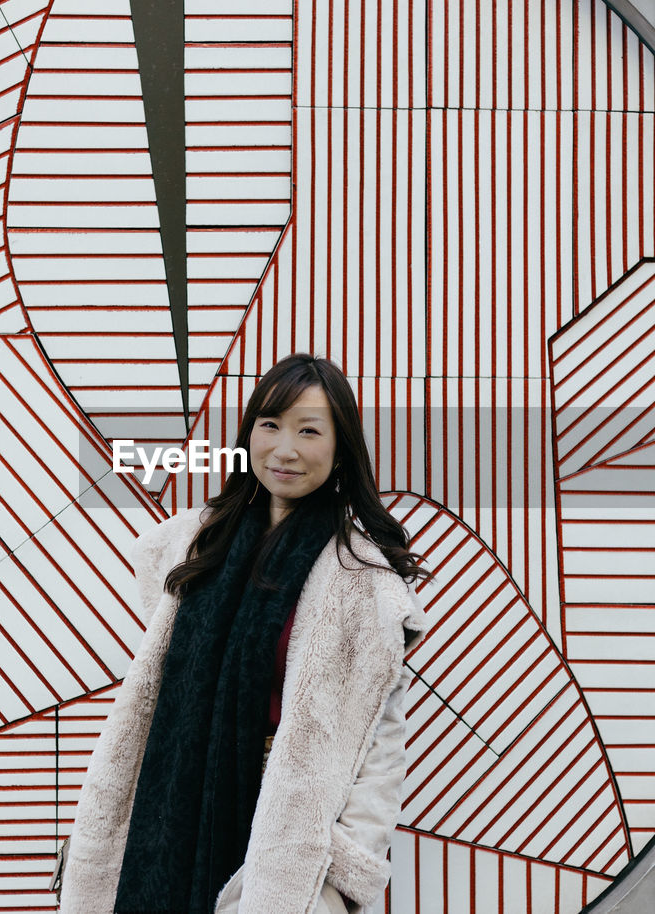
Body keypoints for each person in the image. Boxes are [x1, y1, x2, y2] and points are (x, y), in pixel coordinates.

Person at [57, 354, 432, 914]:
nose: (285, 449)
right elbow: (151, 700)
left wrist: (339, 877)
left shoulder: (363, 584)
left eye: (309, 431)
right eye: (270, 425)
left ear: (340, 447)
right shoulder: (195, 544)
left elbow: (379, 748)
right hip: (168, 804)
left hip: (279, 829)